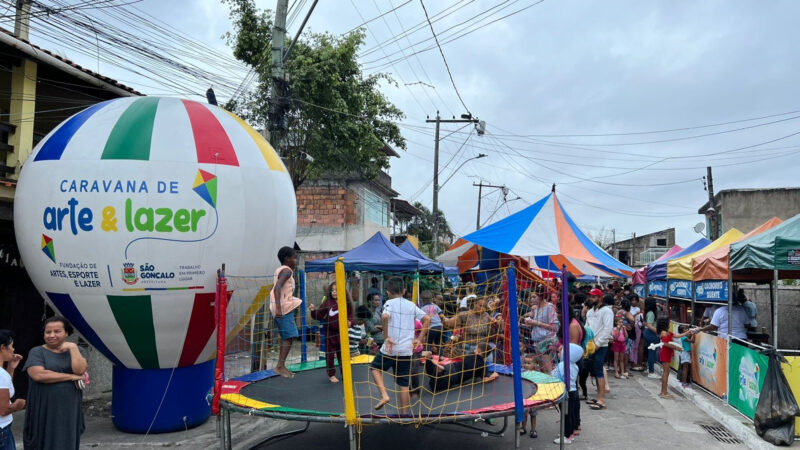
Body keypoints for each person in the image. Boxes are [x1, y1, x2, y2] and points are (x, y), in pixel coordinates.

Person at [24, 316, 88, 450]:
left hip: (69, 408)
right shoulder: (37, 352)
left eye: (57, 331)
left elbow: (80, 370)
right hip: (43, 407)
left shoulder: (77, 351)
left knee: (66, 440)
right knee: (42, 440)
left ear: (66, 333)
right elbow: (39, 375)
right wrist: (72, 376)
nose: (52, 335)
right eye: (48, 332)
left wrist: (73, 347)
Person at [370, 277, 430, 413]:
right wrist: (419, 339)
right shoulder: (410, 305)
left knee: (375, 368)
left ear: (388, 292)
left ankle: (384, 395)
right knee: (403, 384)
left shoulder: (389, 303)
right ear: (404, 291)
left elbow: (385, 317)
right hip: (406, 351)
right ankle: (404, 414)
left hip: (390, 349)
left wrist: (386, 337)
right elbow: (427, 319)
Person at [309, 282, 354, 383]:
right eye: (333, 290)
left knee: (343, 355)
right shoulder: (328, 303)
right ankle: (331, 374)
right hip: (330, 333)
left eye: (337, 290)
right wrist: (313, 311)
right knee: (330, 355)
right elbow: (319, 315)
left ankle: (345, 373)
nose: (334, 292)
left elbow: (351, 316)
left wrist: (350, 322)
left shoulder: (346, 302)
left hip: (342, 334)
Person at [270, 246, 303, 378]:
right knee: (290, 335)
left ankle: (281, 365)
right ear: (287, 259)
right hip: (282, 309)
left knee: (289, 336)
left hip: (282, 306)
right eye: (294, 258)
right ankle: (280, 366)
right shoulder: (287, 271)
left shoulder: (281, 270)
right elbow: (277, 288)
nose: (296, 260)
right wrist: (279, 308)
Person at [421, 342, 498, 392]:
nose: (474, 350)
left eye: (475, 349)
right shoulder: (483, 366)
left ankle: (434, 364)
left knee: (436, 374)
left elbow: (462, 357)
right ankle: (434, 365)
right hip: (455, 377)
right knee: (434, 386)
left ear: (478, 351)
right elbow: (485, 379)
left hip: (452, 366)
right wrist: (494, 375)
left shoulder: (471, 354)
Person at [585, 290, 613, 410]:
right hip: (591, 345)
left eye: (594, 297)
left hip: (601, 345)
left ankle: (602, 399)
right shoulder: (590, 311)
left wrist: (598, 343)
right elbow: (587, 327)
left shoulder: (607, 311)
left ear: (600, 298)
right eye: (590, 296)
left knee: (599, 371)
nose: (591, 298)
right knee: (595, 372)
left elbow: (607, 329)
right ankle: (598, 397)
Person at [553, 343, 584, 445]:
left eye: (560, 351)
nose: (558, 353)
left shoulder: (563, 365)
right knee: (570, 414)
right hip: (573, 392)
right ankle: (569, 433)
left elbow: (553, 375)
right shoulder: (574, 366)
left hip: (566, 393)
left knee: (566, 415)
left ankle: (566, 436)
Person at [0, 330, 25, 449]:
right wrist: (18, 405)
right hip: (2, 429)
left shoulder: (2, 373)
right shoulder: (1, 374)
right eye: (11, 346)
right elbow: (3, 410)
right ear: (2, 348)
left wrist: (11, 368)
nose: (13, 349)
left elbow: (3, 389)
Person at [524, 292, 560, 372]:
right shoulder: (536, 308)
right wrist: (529, 323)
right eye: (531, 297)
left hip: (547, 342)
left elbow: (555, 327)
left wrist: (535, 322)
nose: (531, 299)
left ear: (541, 297)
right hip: (537, 342)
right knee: (542, 369)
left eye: (534, 297)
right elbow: (537, 325)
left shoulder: (549, 307)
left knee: (548, 369)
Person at [656, 318, 688, 399]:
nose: (670, 323)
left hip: (667, 353)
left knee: (667, 372)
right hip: (665, 353)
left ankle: (664, 391)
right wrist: (676, 348)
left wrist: (688, 332)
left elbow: (677, 336)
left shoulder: (667, 332)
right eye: (669, 322)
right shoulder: (664, 332)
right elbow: (665, 343)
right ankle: (664, 392)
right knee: (666, 373)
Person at [643, 297, 661, 379]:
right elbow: (650, 326)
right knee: (652, 353)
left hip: (648, 333)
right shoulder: (651, 313)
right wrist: (659, 332)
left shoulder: (648, 312)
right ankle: (651, 371)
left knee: (650, 352)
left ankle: (649, 368)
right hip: (651, 333)